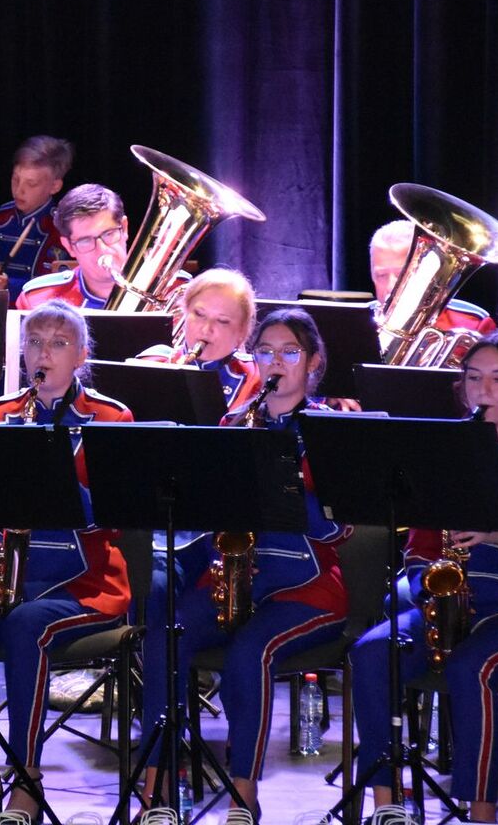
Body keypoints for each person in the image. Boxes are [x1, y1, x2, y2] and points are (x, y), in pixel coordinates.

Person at [348, 332, 498, 823]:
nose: (483, 391)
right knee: (372, 652)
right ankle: (387, 805)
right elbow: (418, 550)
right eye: (473, 379)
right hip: (459, 603)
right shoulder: (445, 450)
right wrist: (430, 588)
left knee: (471, 666)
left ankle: (481, 812)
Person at [140, 307, 350, 819]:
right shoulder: (233, 424)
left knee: (250, 651)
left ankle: (244, 794)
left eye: (289, 352)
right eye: (265, 352)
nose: (275, 362)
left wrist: (282, 486)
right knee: (166, 634)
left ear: (313, 363)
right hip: (236, 577)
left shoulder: (331, 430)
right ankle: (156, 785)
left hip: (307, 586)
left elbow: (339, 528)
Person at [0, 300, 132, 820]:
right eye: (35, 342)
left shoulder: (111, 418)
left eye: (58, 344)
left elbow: (116, 516)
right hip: (5, 574)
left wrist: (56, 479)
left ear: (82, 356)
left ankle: (27, 780)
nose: (43, 354)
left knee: (26, 626)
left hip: (83, 581)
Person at [136, 267, 263, 410]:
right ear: (185, 311)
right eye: (199, 314)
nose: (206, 329)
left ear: (242, 331)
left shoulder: (257, 377)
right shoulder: (151, 362)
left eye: (222, 321)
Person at [16, 184, 149, 311]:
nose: (102, 250)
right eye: (85, 241)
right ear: (69, 247)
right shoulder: (38, 301)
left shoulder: (159, 292)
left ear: (124, 228)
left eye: (108, 234)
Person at [0, 136, 75, 302]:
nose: (19, 190)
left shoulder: (60, 228)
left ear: (55, 186)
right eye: (15, 179)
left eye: (31, 184)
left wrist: (9, 285)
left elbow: (55, 287)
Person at [369, 221, 498, 335]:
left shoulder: (473, 323)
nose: (390, 286)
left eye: (400, 275)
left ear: (423, 271)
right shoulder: (359, 322)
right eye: (381, 275)